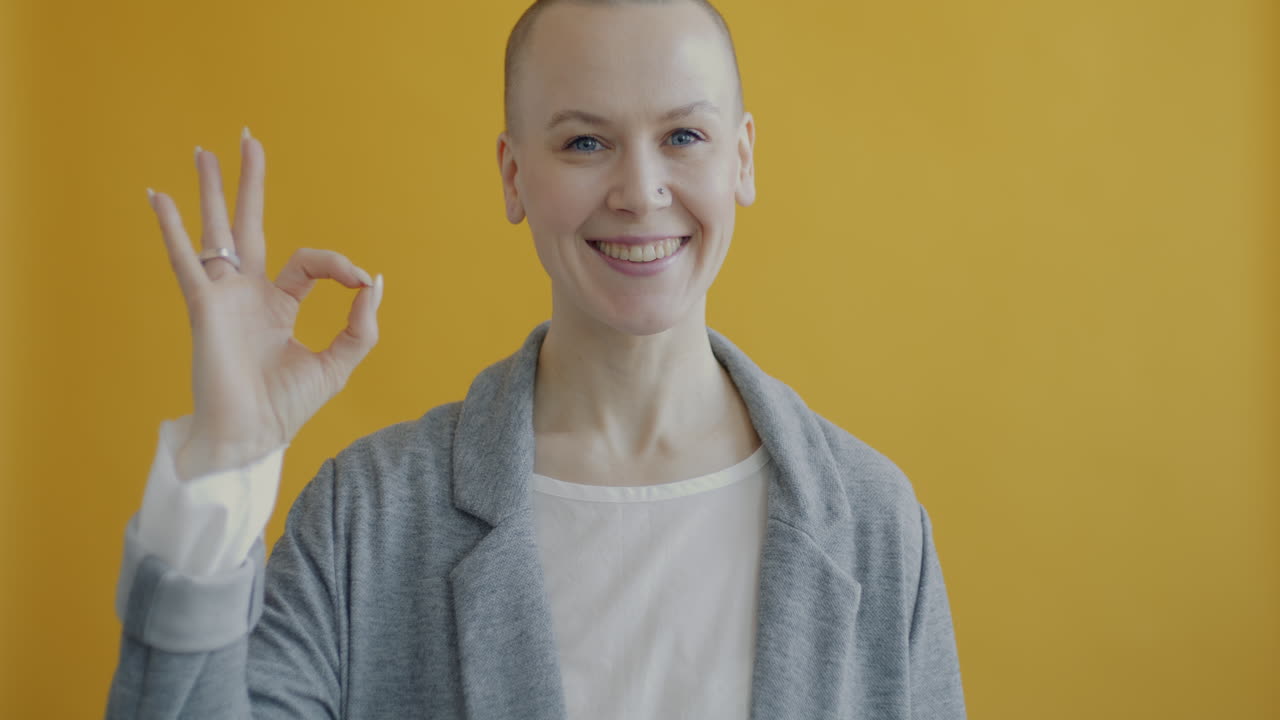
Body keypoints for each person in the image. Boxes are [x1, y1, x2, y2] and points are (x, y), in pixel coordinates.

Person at [106, 0, 967, 717]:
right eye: (584, 143)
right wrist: (222, 465)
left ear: (742, 159)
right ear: (514, 177)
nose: (639, 191)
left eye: (684, 137)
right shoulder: (364, 519)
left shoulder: (875, 523)